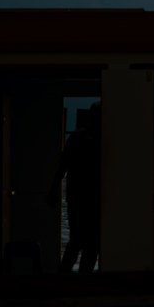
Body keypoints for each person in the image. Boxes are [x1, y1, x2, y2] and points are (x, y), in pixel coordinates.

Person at [55, 103, 102, 272]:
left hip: (76, 197)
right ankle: (83, 277)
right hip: (94, 198)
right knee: (92, 243)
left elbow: (63, 165)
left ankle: (63, 277)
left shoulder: (75, 138)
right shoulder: (101, 140)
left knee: (76, 241)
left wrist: (54, 189)